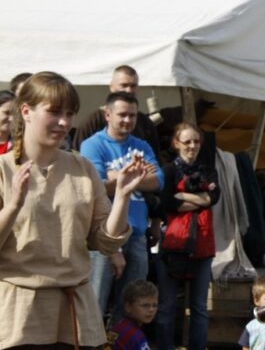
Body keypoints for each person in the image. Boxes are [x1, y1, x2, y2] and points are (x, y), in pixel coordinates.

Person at [0, 71, 146, 348]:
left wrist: (123, 196)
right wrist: (13, 206)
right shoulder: (3, 170)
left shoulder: (82, 168)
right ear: (26, 111)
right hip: (18, 315)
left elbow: (104, 241)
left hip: (75, 313)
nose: (64, 122)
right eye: (54, 112)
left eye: (70, 113)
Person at [80, 91, 164, 325]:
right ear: (107, 114)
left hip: (137, 235)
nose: (127, 120)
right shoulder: (92, 145)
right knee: (95, 304)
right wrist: (134, 177)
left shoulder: (142, 145)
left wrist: (114, 178)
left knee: (131, 311)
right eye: (122, 115)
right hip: (104, 238)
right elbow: (95, 188)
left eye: (133, 116)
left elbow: (158, 181)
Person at [155, 122, 220, 350]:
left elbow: (214, 198)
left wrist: (183, 195)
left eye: (196, 141)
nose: (192, 146)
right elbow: (167, 203)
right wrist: (199, 199)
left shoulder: (207, 169)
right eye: (187, 141)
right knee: (167, 305)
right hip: (174, 245)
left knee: (200, 308)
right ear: (176, 143)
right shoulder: (168, 171)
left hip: (202, 247)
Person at [72, 65, 160, 156]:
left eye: (133, 86)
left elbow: (155, 160)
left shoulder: (146, 124)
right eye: (124, 85)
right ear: (111, 87)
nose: (129, 90)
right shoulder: (92, 122)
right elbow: (76, 157)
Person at [108, 279, 158, 350]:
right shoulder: (136, 336)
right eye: (145, 305)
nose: (151, 310)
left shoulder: (117, 327)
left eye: (155, 305)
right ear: (128, 306)